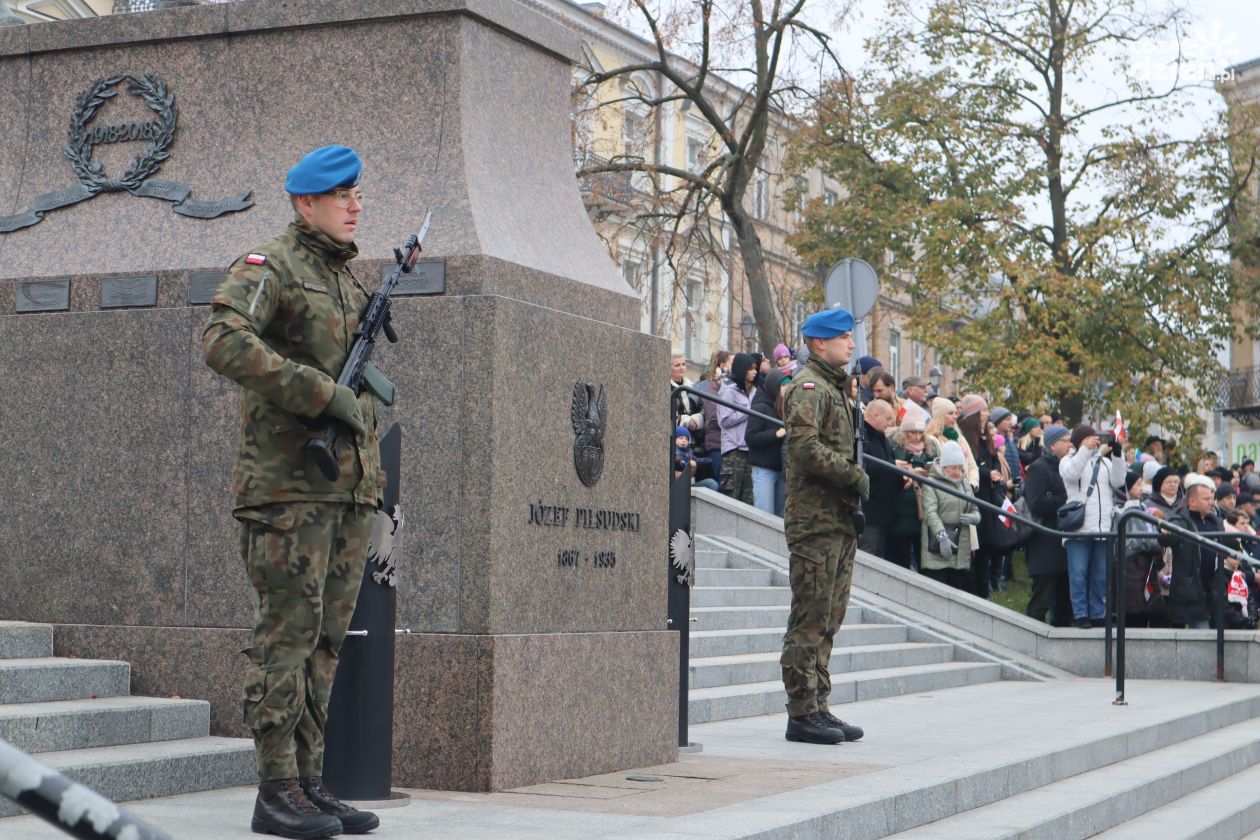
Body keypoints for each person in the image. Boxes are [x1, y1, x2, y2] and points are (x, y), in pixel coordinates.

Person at [202, 145, 382, 837]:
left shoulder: (346, 279)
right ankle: (275, 788)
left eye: (357, 193)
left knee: (326, 643)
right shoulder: (269, 265)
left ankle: (309, 784)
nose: (355, 204)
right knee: (287, 637)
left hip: (344, 488)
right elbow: (221, 338)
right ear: (306, 202)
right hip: (285, 490)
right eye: (342, 194)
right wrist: (318, 392)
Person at [780, 307, 868, 746]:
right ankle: (800, 714)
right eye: (844, 338)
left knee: (829, 619)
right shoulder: (809, 387)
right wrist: (852, 474)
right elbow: (803, 447)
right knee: (810, 619)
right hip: (814, 522)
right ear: (820, 342)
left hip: (837, 521)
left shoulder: (835, 389)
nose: (851, 345)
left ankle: (818, 705)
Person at [1059, 424, 1127, 628]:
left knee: (1100, 576)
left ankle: (1098, 613)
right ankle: (1080, 614)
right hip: (1078, 527)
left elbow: (1118, 481)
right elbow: (1071, 475)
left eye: (1095, 439)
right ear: (1079, 441)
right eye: (1089, 438)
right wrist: (1084, 451)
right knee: (1078, 574)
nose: (1094, 441)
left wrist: (1117, 456)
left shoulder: (1104, 462)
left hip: (1102, 527)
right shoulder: (1068, 460)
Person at [1023, 425, 1073, 626]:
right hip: (1045, 542)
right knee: (1042, 596)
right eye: (1065, 440)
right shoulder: (1039, 467)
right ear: (1052, 445)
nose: (1070, 444)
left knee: (1065, 599)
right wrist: (1066, 499)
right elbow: (1036, 503)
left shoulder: (1068, 467)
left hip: (1064, 540)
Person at [920, 441, 980, 591]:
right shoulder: (931, 483)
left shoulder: (965, 484)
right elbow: (930, 513)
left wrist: (975, 518)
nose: (957, 472)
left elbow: (975, 508)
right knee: (937, 591)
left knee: (957, 590)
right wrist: (942, 536)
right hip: (937, 544)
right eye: (953, 467)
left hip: (960, 546)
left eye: (960, 468)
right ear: (943, 466)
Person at [888, 414, 932, 569]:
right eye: (913, 432)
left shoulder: (929, 449)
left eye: (920, 433)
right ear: (904, 432)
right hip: (902, 507)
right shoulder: (894, 448)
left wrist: (927, 471)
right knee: (901, 557)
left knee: (924, 557)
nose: (917, 436)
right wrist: (910, 472)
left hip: (924, 505)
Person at [859, 399, 900, 559]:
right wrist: (893, 465)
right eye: (888, 418)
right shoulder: (861, 435)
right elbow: (864, 467)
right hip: (870, 509)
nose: (890, 423)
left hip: (883, 510)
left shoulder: (882, 438)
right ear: (875, 415)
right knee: (868, 554)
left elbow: (888, 461)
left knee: (879, 553)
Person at [746, 370, 788, 516]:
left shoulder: (786, 408)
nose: (787, 388)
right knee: (764, 515)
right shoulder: (760, 407)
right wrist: (776, 434)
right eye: (784, 385)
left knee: (780, 518)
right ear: (774, 387)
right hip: (764, 469)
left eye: (789, 384)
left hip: (782, 471)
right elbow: (750, 438)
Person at [718, 353, 758, 504]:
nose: (755, 372)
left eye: (755, 369)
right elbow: (725, 420)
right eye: (751, 369)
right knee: (731, 497)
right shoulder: (728, 391)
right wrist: (747, 411)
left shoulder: (753, 390)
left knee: (748, 500)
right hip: (733, 451)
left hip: (749, 449)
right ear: (742, 370)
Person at [698, 350, 732, 484]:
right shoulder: (711, 387)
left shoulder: (731, 385)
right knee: (721, 484)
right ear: (722, 365)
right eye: (732, 363)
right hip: (717, 444)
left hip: (729, 444)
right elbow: (714, 417)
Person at [670, 353, 704, 440]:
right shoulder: (665, 388)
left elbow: (703, 407)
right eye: (677, 365)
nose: (682, 368)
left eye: (683, 364)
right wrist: (685, 420)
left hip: (693, 437)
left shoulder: (693, 387)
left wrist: (697, 419)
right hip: (674, 438)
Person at [674, 426, 718, 491]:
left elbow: (697, 460)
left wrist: (707, 460)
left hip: (686, 486)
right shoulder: (672, 451)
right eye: (681, 438)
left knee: (712, 483)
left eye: (686, 439)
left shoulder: (689, 452)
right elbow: (680, 462)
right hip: (674, 487)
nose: (684, 441)